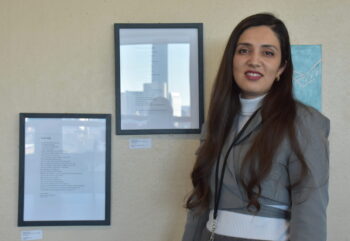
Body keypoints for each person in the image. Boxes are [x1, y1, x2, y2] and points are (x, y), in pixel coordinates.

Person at [182, 13, 330, 241]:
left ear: (281, 68)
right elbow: (201, 202)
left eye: (268, 53)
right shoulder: (216, 122)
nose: (254, 60)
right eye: (244, 50)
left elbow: (310, 208)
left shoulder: (304, 122)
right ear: (231, 59)